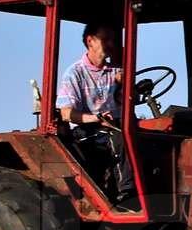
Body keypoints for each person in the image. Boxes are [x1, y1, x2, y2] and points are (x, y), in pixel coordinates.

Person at [57, 22, 139, 210]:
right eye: (106, 39)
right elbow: (66, 113)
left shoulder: (115, 72)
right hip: (86, 130)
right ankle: (126, 195)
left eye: (113, 40)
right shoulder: (75, 74)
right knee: (118, 136)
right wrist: (96, 118)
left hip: (115, 124)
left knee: (143, 133)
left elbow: (128, 99)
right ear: (90, 41)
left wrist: (128, 86)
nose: (111, 44)